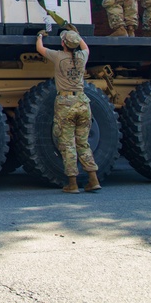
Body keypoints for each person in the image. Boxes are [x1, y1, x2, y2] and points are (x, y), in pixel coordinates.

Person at [36, 29, 101, 193]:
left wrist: (39, 36)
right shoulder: (82, 57)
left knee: (68, 144)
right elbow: (86, 47)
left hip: (66, 103)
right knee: (83, 143)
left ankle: (72, 183)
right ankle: (93, 179)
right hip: (82, 102)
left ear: (63, 43)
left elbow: (40, 49)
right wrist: (77, 36)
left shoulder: (58, 56)